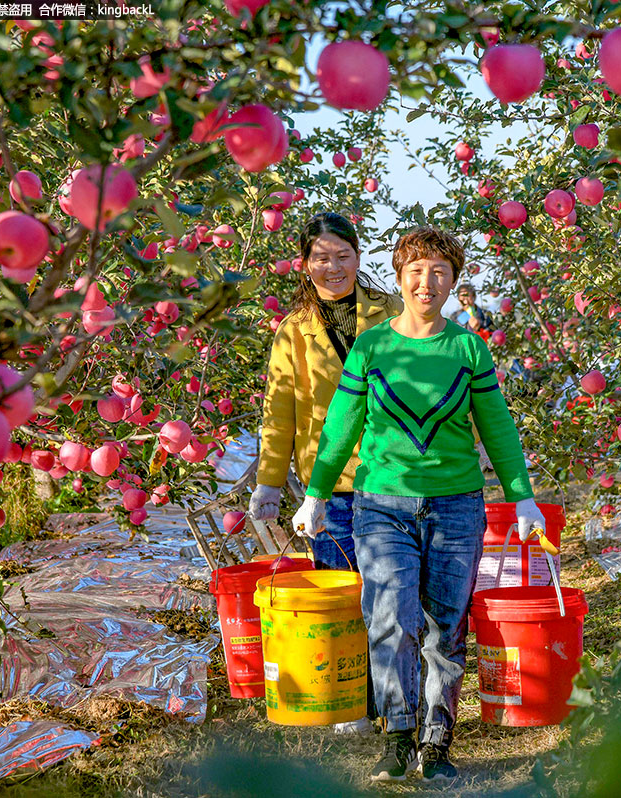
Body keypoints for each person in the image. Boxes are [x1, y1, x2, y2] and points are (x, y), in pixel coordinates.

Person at [291, 226, 546, 783]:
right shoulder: (373, 347)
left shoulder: (468, 347)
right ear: (400, 277)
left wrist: (522, 498)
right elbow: (340, 428)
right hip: (382, 504)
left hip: (456, 506)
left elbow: (496, 428)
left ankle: (437, 741)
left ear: (453, 282)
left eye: (439, 272)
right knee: (387, 617)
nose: (426, 282)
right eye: (416, 271)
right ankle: (398, 734)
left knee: (445, 626)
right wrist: (315, 493)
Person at [249, 212, 400, 732]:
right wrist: (270, 479)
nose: (332, 267)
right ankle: (351, 700)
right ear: (304, 263)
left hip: (392, 476)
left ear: (358, 257)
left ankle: (393, 701)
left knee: (392, 593)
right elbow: (281, 407)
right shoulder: (293, 331)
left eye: (343, 256)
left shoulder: (393, 313)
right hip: (329, 483)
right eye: (321, 257)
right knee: (342, 592)